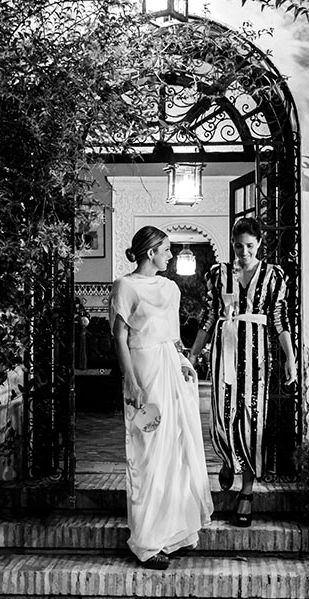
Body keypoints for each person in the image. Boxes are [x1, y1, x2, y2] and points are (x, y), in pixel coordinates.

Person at [110, 226, 213, 570]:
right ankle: (147, 541)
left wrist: (184, 363)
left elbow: (173, 337)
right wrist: (131, 381)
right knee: (148, 452)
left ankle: (175, 534)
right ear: (151, 251)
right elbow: (119, 337)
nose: (170, 255)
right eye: (166, 249)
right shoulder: (125, 286)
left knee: (175, 450)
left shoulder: (170, 288)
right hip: (144, 372)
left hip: (170, 369)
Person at [187, 217, 296, 528]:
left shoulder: (274, 275)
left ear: (259, 243)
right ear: (232, 246)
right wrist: (193, 354)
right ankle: (227, 459)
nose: (244, 252)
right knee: (222, 416)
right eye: (238, 246)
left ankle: (246, 490)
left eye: (249, 246)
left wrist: (290, 358)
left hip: (257, 356)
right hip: (225, 352)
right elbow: (209, 317)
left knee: (251, 420)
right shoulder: (218, 274)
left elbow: (279, 319)